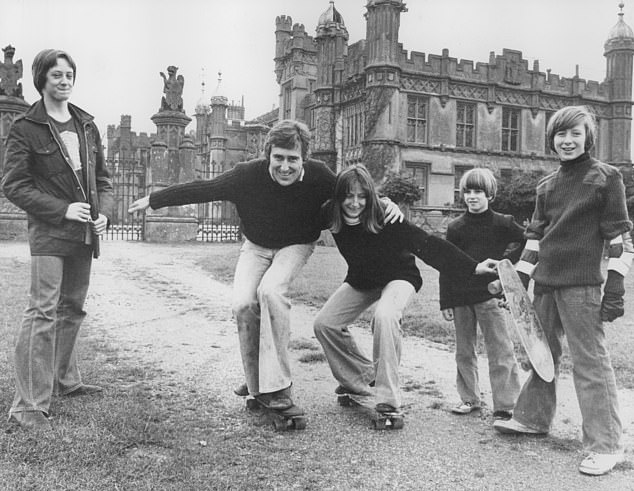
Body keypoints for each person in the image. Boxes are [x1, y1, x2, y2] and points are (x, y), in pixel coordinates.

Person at [127, 120, 403, 414]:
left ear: (303, 159)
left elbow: (354, 189)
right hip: (256, 246)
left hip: (296, 244)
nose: (285, 167)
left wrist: (385, 202)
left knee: (271, 292)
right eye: (279, 158)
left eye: (293, 159)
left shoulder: (320, 177)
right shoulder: (245, 175)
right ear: (268, 154)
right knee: (244, 302)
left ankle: (279, 386)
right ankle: (257, 380)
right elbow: (203, 189)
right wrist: (155, 199)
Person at [492, 106, 633, 476]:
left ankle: (606, 445)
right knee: (542, 355)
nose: (567, 141)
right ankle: (533, 419)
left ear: (589, 137)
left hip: (582, 288)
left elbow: (619, 238)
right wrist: (516, 282)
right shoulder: (546, 186)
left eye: (575, 134)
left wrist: (615, 285)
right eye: (560, 135)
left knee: (591, 363)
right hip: (545, 286)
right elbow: (535, 240)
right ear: (551, 140)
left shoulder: (607, 178)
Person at [313, 164, 498, 417]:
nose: (355, 203)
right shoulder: (329, 213)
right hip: (362, 280)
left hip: (400, 276)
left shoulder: (386, 217)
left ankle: (388, 398)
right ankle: (361, 377)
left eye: (362, 196)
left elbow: (428, 245)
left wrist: (473, 267)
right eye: (348, 196)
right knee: (324, 323)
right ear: (339, 196)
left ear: (370, 196)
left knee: (385, 316)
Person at [1, 49, 113, 431]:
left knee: (73, 308)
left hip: (84, 236)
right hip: (50, 232)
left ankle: (66, 382)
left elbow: (104, 180)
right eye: (56, 76)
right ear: (41, 80)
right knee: (42, 311)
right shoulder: (25, 127)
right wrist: (61, 209)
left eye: (69, 75)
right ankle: (28, 406)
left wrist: (104, 213)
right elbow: (14, 185)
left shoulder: (87, 125)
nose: (64, 82)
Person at [439, 168, 523, 421]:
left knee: (500, 350)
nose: (472, 197)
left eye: (478, 192)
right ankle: (470, 398)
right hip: (461, 297)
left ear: (490, 194)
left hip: (490, 296)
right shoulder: (455, 227)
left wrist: (504, 264)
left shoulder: (503, 223)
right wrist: (446, 300)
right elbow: (447, 264)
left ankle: (506, 404)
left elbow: (527, 242)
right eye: (468, 191)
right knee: (464, 351)